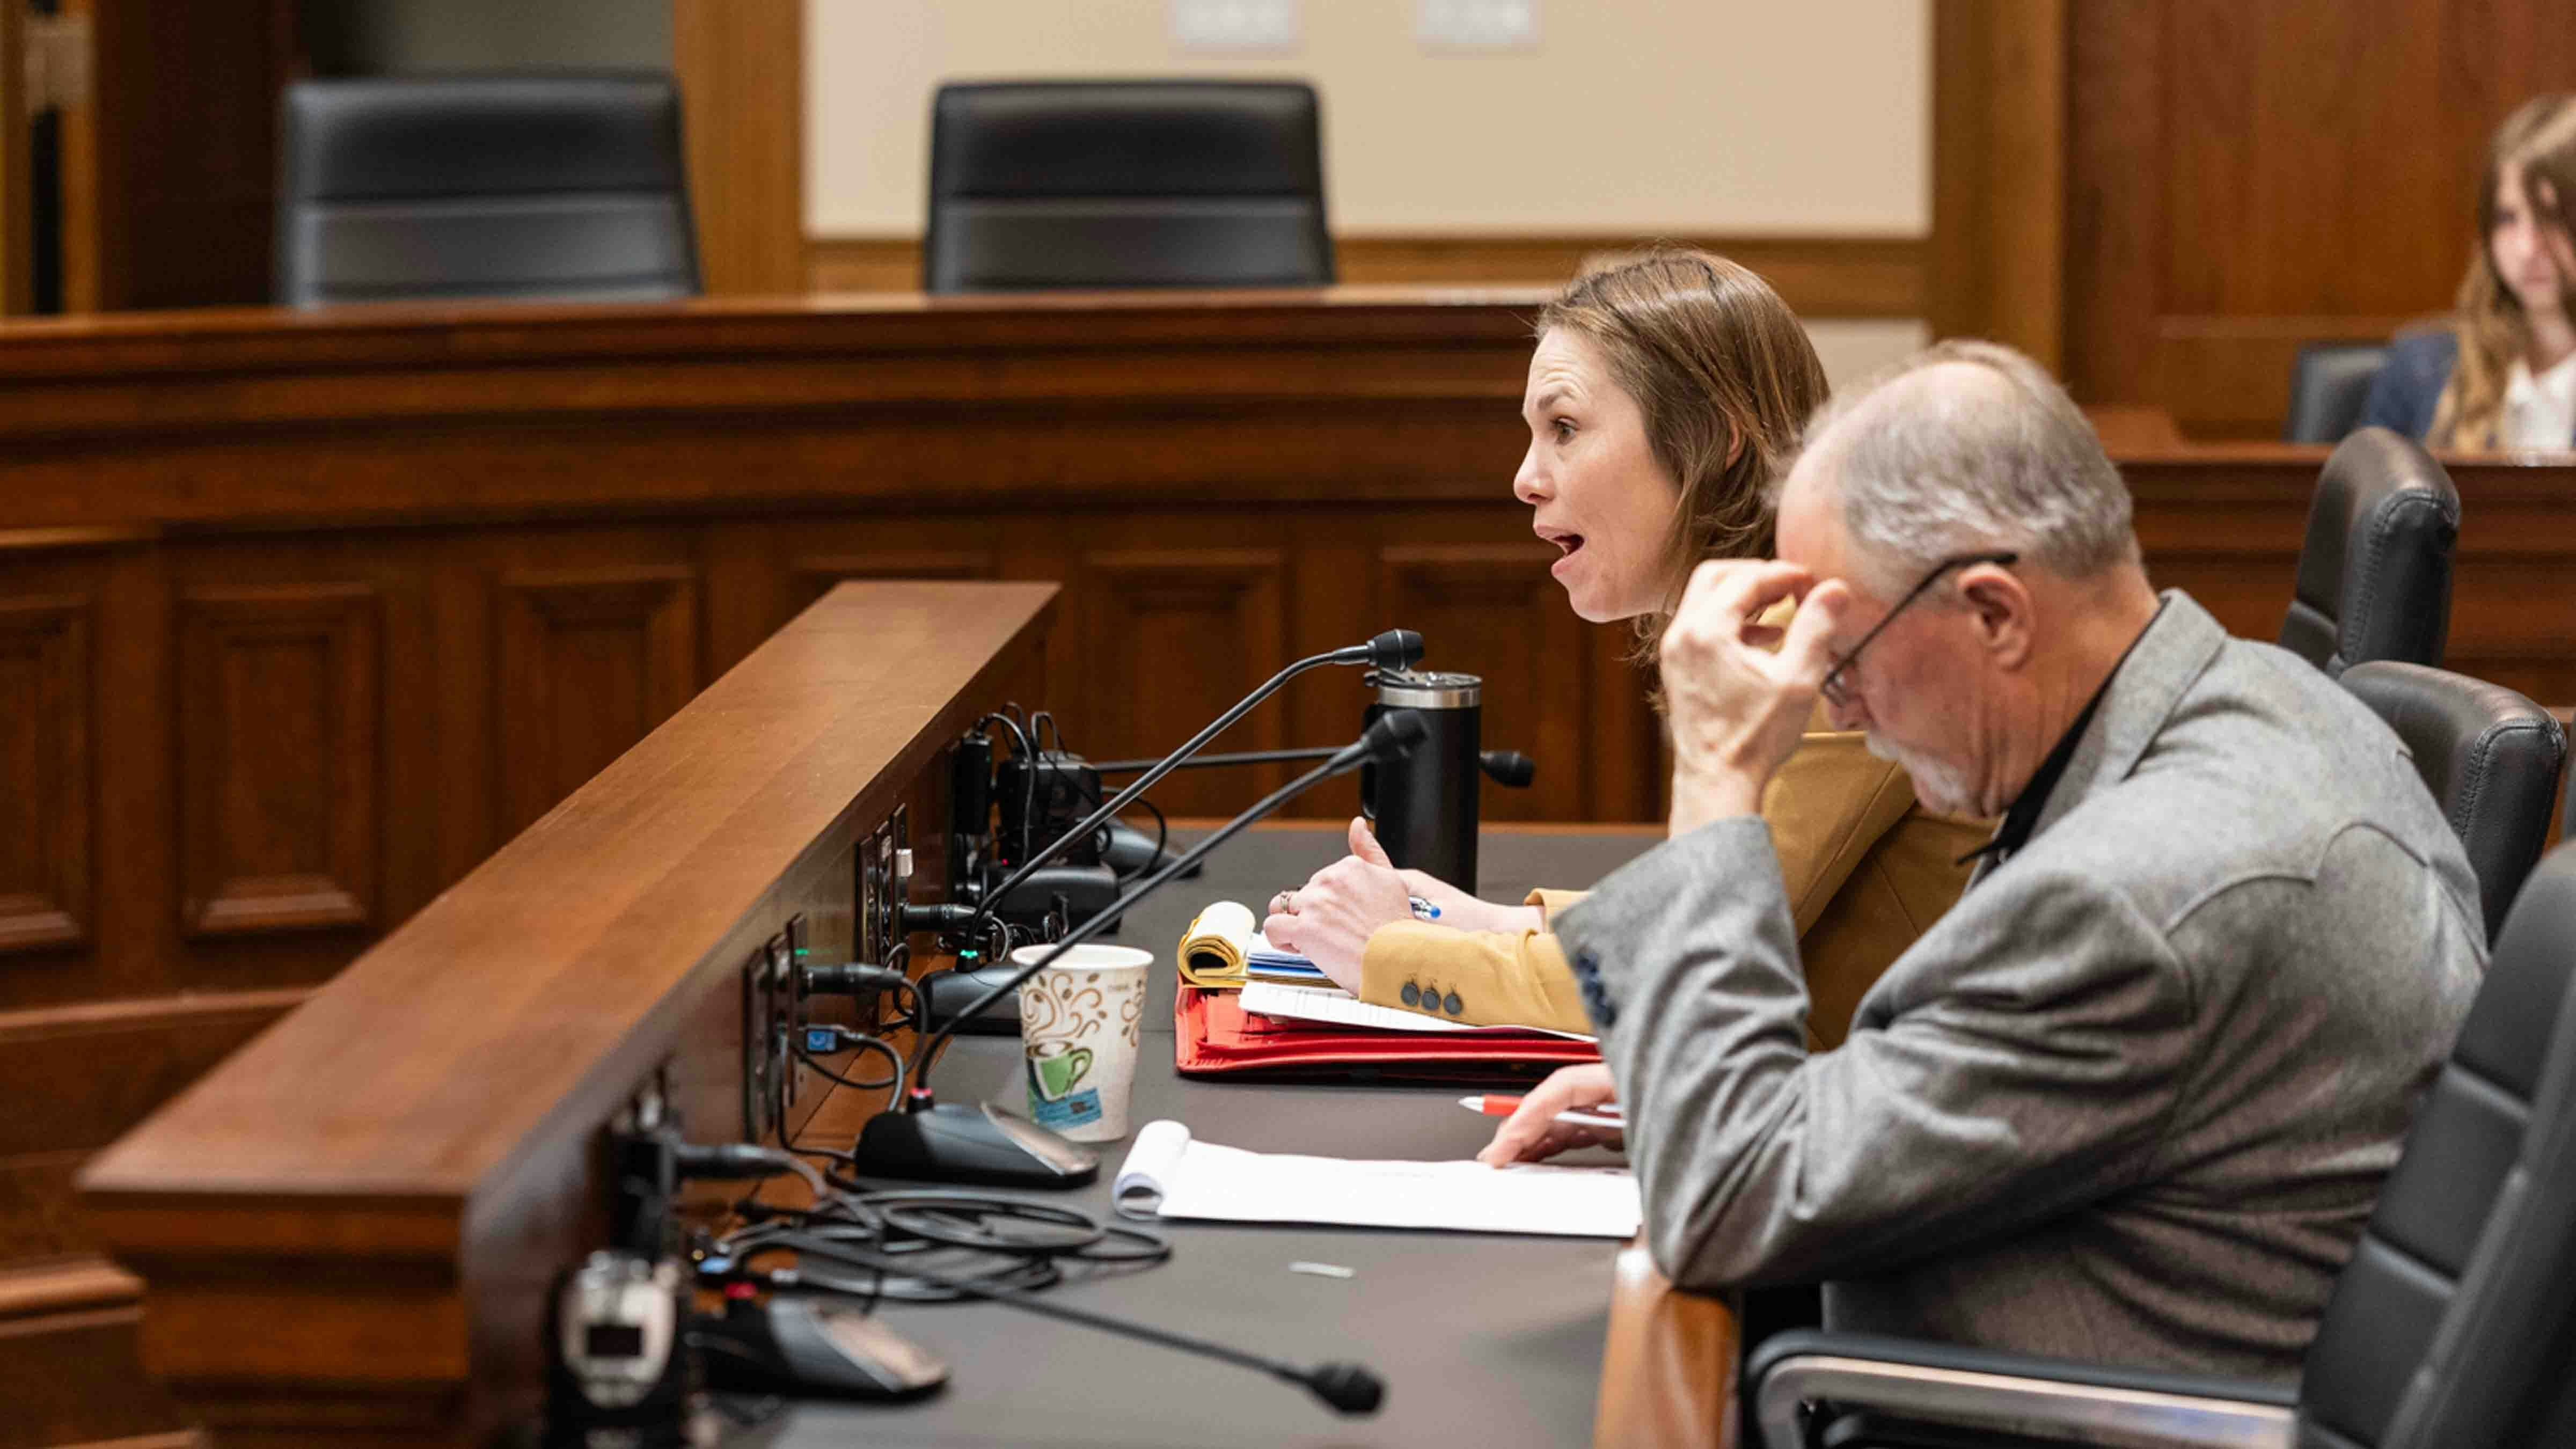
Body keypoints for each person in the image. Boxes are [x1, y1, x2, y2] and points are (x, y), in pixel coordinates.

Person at [1488, 341, 2484, 1378]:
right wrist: (1709, 1085)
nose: (1835, 702)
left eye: (1844, 651)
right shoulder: (2253, 702)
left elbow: (1718, 1206)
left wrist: (1718, 771)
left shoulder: (2140, 892)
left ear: (1996, 614)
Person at [1260, 250, 1984, 1046]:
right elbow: (1715, 908)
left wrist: (1390, 951)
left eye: (1564, 428)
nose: (1525, 480)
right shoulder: (1772, 617)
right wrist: (1488, 922)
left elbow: (1681, 971)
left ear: (1713, 435)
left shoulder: (1829, 641)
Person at [2361, 94, 2576, 448]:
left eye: (2551, 217)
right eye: (2507, 218)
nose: (2526, 248)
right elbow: (2364, 502)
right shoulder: (2422, 367)